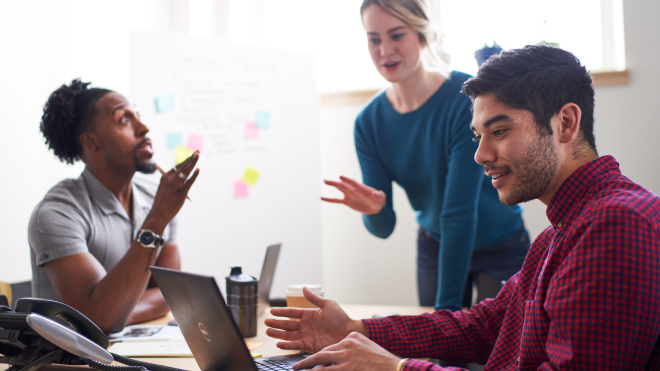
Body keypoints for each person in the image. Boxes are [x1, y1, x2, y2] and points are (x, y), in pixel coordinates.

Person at [266, 45, 660, 370]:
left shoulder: (616, 224)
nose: (481, 155)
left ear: (565, 123)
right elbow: (482, 326)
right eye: (478, 135)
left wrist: (397, 367)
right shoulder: (560, 233)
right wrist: (357, 329)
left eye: (500, 132)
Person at [321, 0, 529, 310]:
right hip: (435, 244)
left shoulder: (465, 96)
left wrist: (444, 319)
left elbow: (458, 212)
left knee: (493, 355)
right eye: (374, 39)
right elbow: (384, 227)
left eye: (396, 35)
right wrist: (375, 211)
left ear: (420, 34)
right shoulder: (369, 123)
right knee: (435, 357)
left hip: (500, 245)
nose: (384, 50)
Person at [28, 79, 200, 333]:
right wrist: (157, 219)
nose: (144, 128)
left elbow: (169, 295)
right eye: (124, 119)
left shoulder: (156, 197)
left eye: (138, 115)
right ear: (92, 142)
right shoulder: (55, 214)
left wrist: (118, 312)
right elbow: (99, 319)